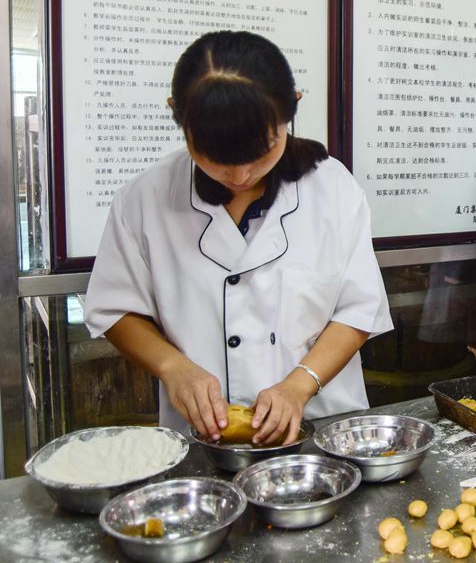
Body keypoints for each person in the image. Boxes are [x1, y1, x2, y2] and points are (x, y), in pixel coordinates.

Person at [84, 31, 393, 444]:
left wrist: (299, 384)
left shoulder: (334, 190)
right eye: (215, 158)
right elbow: (115, 310)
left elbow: (359, 309)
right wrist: (174, 368)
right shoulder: (145, 200)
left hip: (323, 430)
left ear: (291, 109)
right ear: (178, 116)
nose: (240, 176)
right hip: (203, 440)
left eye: (260, 153)